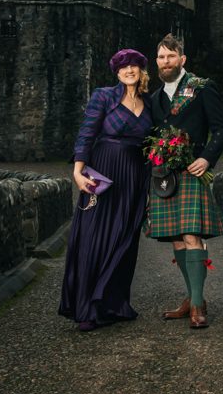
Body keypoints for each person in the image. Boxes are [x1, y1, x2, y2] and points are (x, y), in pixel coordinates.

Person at [58, 48, 154, 331]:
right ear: (117, 72)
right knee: (94, 237)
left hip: (135, 176)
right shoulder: (103, 96)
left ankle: (113, 304)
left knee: (125, 239)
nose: (128, 71)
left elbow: (151, 146)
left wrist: (148, 188)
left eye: (133, 66)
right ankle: (87, 308)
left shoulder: (149, 104)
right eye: (123, 67)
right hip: (102, 174)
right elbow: (87, 133)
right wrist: (77, 170)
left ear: (141, 70)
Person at [148, 33, 223, 329]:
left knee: (192, 237)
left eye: (171, 56)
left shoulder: (202, 87)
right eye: (160, 57)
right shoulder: (154, 98)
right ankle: (192, 296)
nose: (165, 62)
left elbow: (221, 129)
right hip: (164, 177)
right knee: (177, 241)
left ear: (182, 60)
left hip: (192, 171)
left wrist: (207, 158)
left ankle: (197, 305)